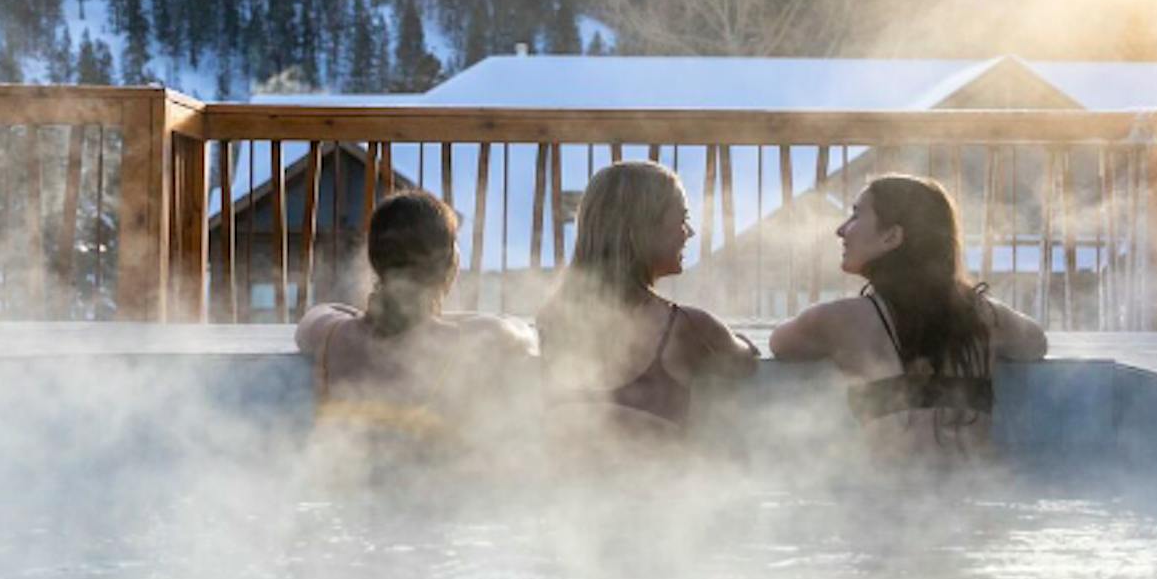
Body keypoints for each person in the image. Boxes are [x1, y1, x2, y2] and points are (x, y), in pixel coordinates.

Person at [768, 174, 1046, 458]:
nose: (842, 230)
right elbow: (1035, 343)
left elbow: (779, 343)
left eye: (855, 215)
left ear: (892, 237)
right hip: (977, 493)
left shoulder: (841, 321)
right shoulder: (985, 316)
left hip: (892, 499)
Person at [297, 190, 535, 456]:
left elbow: (316, 315)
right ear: (448, 264)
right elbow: (522, 333)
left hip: (338, 494)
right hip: (428, 495)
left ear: (375, 262)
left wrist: (378, 311)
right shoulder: (467, 338)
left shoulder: (331, 334)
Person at [537, 160, 758, 444]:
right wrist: (731, 338)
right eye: (682, 219)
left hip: (565, 486)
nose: (689, 232)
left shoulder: (552, 321)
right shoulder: (688, 327)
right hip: (658, 484)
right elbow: (745, 361)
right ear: (643, 229)